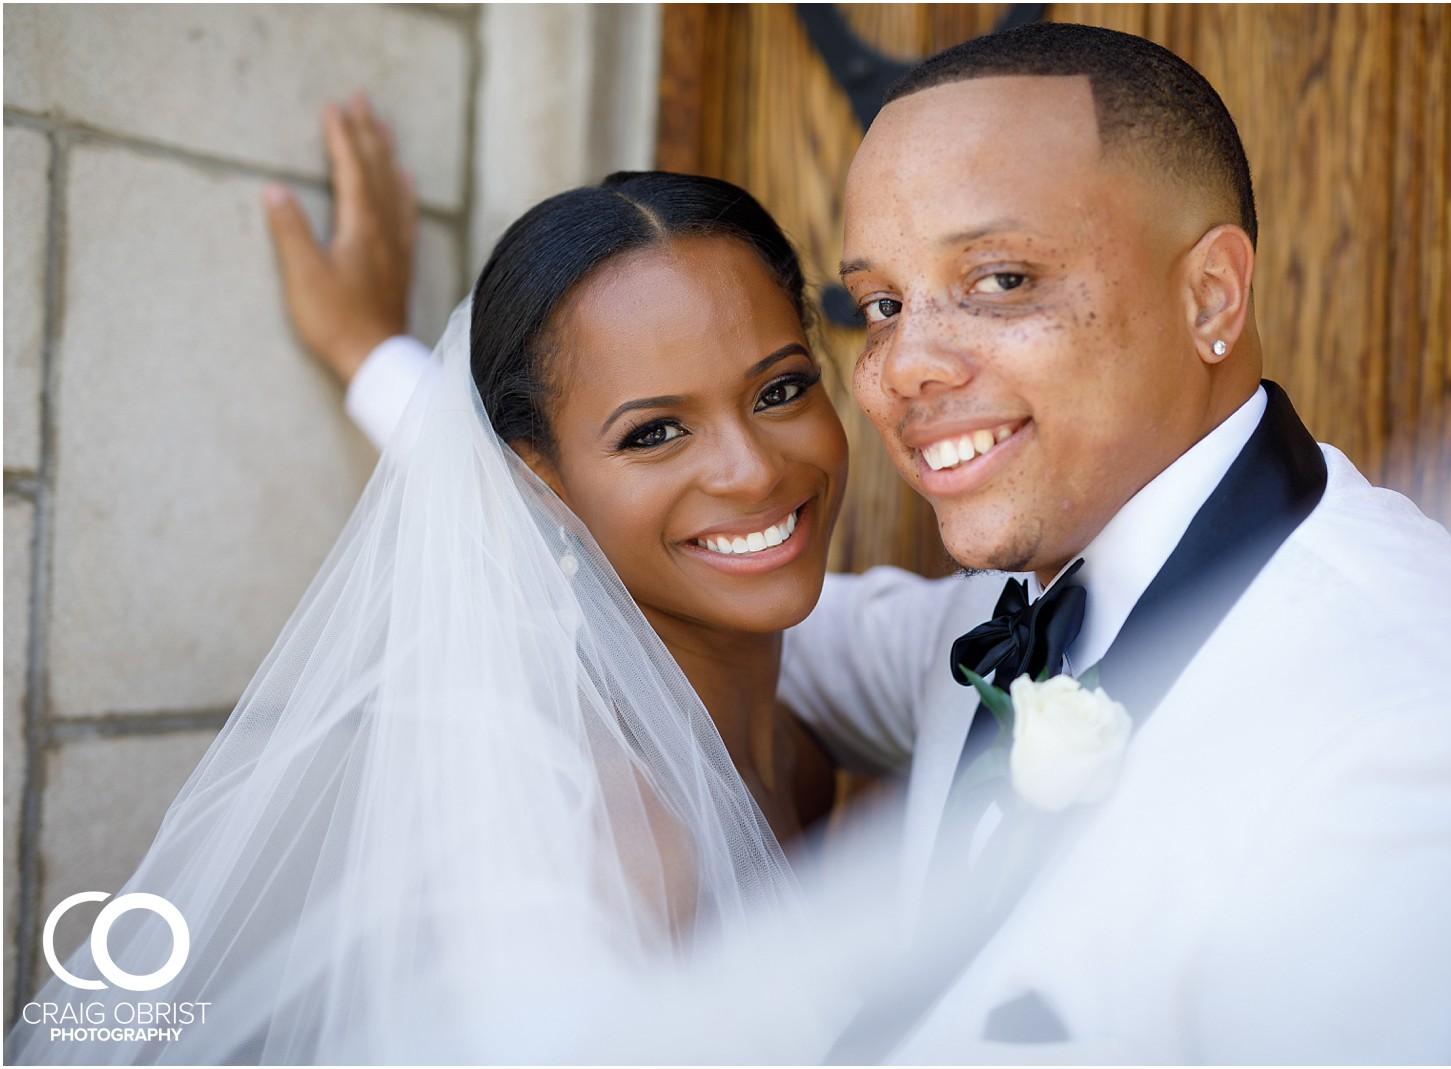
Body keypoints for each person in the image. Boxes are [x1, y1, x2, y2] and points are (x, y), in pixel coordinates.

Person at [305, 23, 1451, 1065]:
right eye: (877, 304)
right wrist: (384, 367)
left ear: (1209, 294)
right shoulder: (990, 622)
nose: (906, 368)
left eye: (1002, 281)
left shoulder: (1430, 741)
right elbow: (656, 550)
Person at [8, 167, 850, 1062]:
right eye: (653, 432)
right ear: (539, 484)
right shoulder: (607, 846)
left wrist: (366, 350)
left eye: (779, 389)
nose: (752, 471)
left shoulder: (803, 749)